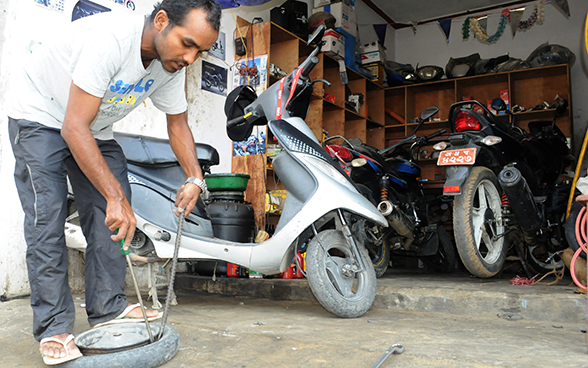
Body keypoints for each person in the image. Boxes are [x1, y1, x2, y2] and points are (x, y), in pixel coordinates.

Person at [7, 0, 221, 365]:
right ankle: (54, 326)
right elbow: (72, 126)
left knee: (116, 215)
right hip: (40, 116)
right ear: (161, 20)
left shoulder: (171, 66)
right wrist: (113, 196)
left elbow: (177, 124)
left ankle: (108, 308)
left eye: (200, 51)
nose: (190, 57)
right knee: (48, 219)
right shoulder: (112, 39)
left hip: (91, 127)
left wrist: (194, 178)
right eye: (187, 43)